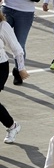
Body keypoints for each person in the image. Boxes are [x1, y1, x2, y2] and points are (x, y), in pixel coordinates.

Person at [0, 10, 28, 143]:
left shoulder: (3, 26)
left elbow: (17, 49)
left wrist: (21, 68)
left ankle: (12, 126)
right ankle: (12, 126)